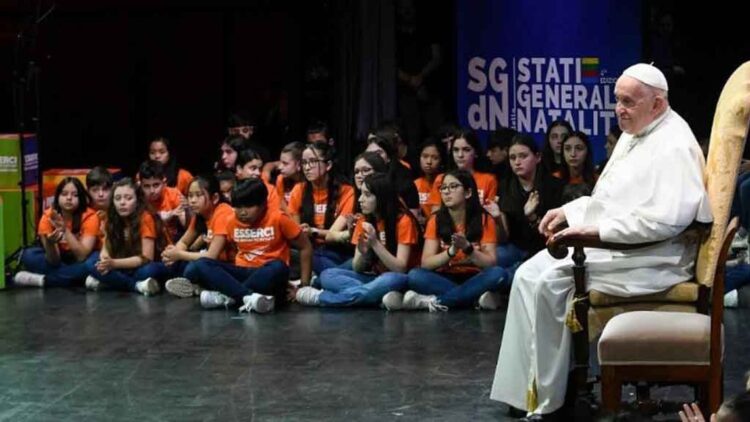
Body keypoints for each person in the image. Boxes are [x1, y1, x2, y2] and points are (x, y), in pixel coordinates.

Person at [490, 63, 712, 418]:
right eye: (617, 100)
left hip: (654, 259)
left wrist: (590, 234)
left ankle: (552, 400)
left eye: (628, 102)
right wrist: (570, 212)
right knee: (527, 274)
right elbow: (612, 199)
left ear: (657, 103)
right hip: (625, 246)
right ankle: (524, 391)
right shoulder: (636, 130)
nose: (619, 109)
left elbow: (663, 222)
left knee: (550, 283)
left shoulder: (674, 146)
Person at [296, 173, 419, 307]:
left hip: (397, 278)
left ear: (381, 197)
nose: (360, 199)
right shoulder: (364, 219)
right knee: (328, 275)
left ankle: (321, 298)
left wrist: (375, 243)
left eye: (367, 195)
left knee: (390, 280)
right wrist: (364, 253)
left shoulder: (403, 220)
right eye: (360, 194)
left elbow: (400, 268)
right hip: (373, 278)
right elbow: (357, 268)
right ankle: (378, 297)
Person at [191, 179, 313, 312]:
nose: (242, 212)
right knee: (200, 264)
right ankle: (245, 297)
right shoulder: (231, 221)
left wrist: (304, 285)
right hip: (242, 270)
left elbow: (305, 246)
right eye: (238, 207)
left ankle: (228, 296)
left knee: (279, 267)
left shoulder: (278, 218)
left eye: (248, 206)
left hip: (268, 273)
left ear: (263, 204)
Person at [396, 169, 508, 311]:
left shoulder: (484, 219)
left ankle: (435, 301)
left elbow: (490, 264)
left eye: (453, 186)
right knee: (415, 276)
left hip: (476, 276)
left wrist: (468, 248)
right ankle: (473, 299)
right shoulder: (435, 219)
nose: (447, 192)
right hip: (445, 276)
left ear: (468, 192)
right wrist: (451, 251)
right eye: (443, 188)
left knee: (498, 274)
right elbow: (426, 263)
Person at [85, 178, 170, 296]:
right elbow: (106, 249)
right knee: (90, 263)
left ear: (137, 201)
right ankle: (137, 286)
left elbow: (146, 258)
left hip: (149, 264)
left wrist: (114, 264)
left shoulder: (145, 218)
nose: (122, 203)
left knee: (147, 271)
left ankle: (112, 282)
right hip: (125, 264)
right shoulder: (111, 217)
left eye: (128, 198)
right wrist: (104, 261)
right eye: (117, 198)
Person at [491, 134, 563, 267]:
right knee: (495, 257)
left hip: (544, 248)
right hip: (515, 248)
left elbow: (555, 235)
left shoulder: (555, 186)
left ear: (538, 157)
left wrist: (532, 217)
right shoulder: (504, 186)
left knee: (516, 271)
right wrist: (497, 219)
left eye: (523, 156)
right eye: (513, 158)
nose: (517, 162)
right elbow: (503, 238)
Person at [13, 178, 100, 288]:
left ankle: (44, 280)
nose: (69, 198)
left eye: (74, 195)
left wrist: (65, 230)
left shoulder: (90, 216)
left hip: (79, 260)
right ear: (57, 197)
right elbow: (54, 261)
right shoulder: (48, 216)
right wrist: (50, 243)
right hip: (59, 261)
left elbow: (81, 256)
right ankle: (77, 279)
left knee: (93, 263)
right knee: (28, 255)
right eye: (64, 194)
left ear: (81, 198)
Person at [162, 175, 235, 298]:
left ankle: (203, 289)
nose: (192, 200)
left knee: (193, 268)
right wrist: (171, 254)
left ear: (215, 197)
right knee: (175, 265)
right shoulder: (200, 215)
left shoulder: (223, 213)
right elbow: (184, 242)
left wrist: (178, 255)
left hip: (230, 265)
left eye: (198, 195)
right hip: (214, 264)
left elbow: (211, 256)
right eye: (190, 195)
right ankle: (199, 287)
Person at [287, 142, 355, 274]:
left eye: (312, 161)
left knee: (321, 260)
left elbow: (333, 234)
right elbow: (296, 232)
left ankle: (327, 276)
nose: (307, 168)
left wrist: (312, 231)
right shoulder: (298, 190)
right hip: (307, 248)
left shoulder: (347, 192)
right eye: (304, 163)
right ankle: (329, 276)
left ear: (328, 165)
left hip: (335, 250)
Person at [139, 160, 187, 242]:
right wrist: (167, 215)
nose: (152, 191)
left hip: (172, 244)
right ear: (140, 185)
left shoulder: (174, 194)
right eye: (146, 186)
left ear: (164, 182)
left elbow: (187, 224)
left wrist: (186, 213)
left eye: (156, 185)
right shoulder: (137, 198)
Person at [555, 131, 598, 202]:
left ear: (587, 151)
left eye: (579, 148)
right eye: (567, 149)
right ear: (563, 152)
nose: (573, 154)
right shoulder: (553, 179)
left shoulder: (598, 181)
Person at [413, 138, 444, 224]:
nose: (429, 162)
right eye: (425, 156)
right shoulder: (415, 184)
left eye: (435, 158)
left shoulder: (446, 183)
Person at [275, 141, 305, 205]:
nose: (280, 167)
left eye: (285, 163)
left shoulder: (309, 184)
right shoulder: (280, 179)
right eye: (280, 162)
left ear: (299, 164)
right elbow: (281, 206)